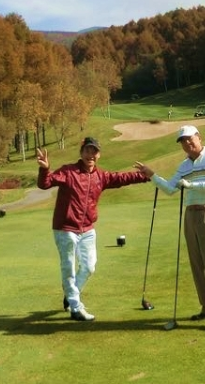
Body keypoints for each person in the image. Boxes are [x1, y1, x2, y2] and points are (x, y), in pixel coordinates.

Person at [37, 137, 150, 322]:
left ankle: (71, 295)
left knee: (89, 266)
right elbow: (45, 183)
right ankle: (75, 307)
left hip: (87, 228)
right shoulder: (68, 171)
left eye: (94, 151)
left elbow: (120, 178)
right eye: (88, 151)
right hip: (66, 228)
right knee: (68, 268)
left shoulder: (100, 176)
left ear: (99, 155)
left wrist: (145, 176)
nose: (91, 155)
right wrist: (44, 168)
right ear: (81, 152)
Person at [136, 124, 205, 335]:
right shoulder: (184, 165)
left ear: (199, 137)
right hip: (191, 215)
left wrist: (190, 186)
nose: (187, 143)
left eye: (189, 139)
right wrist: (152, 175)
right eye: (182, 141)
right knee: (198, 266)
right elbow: (170, 188)